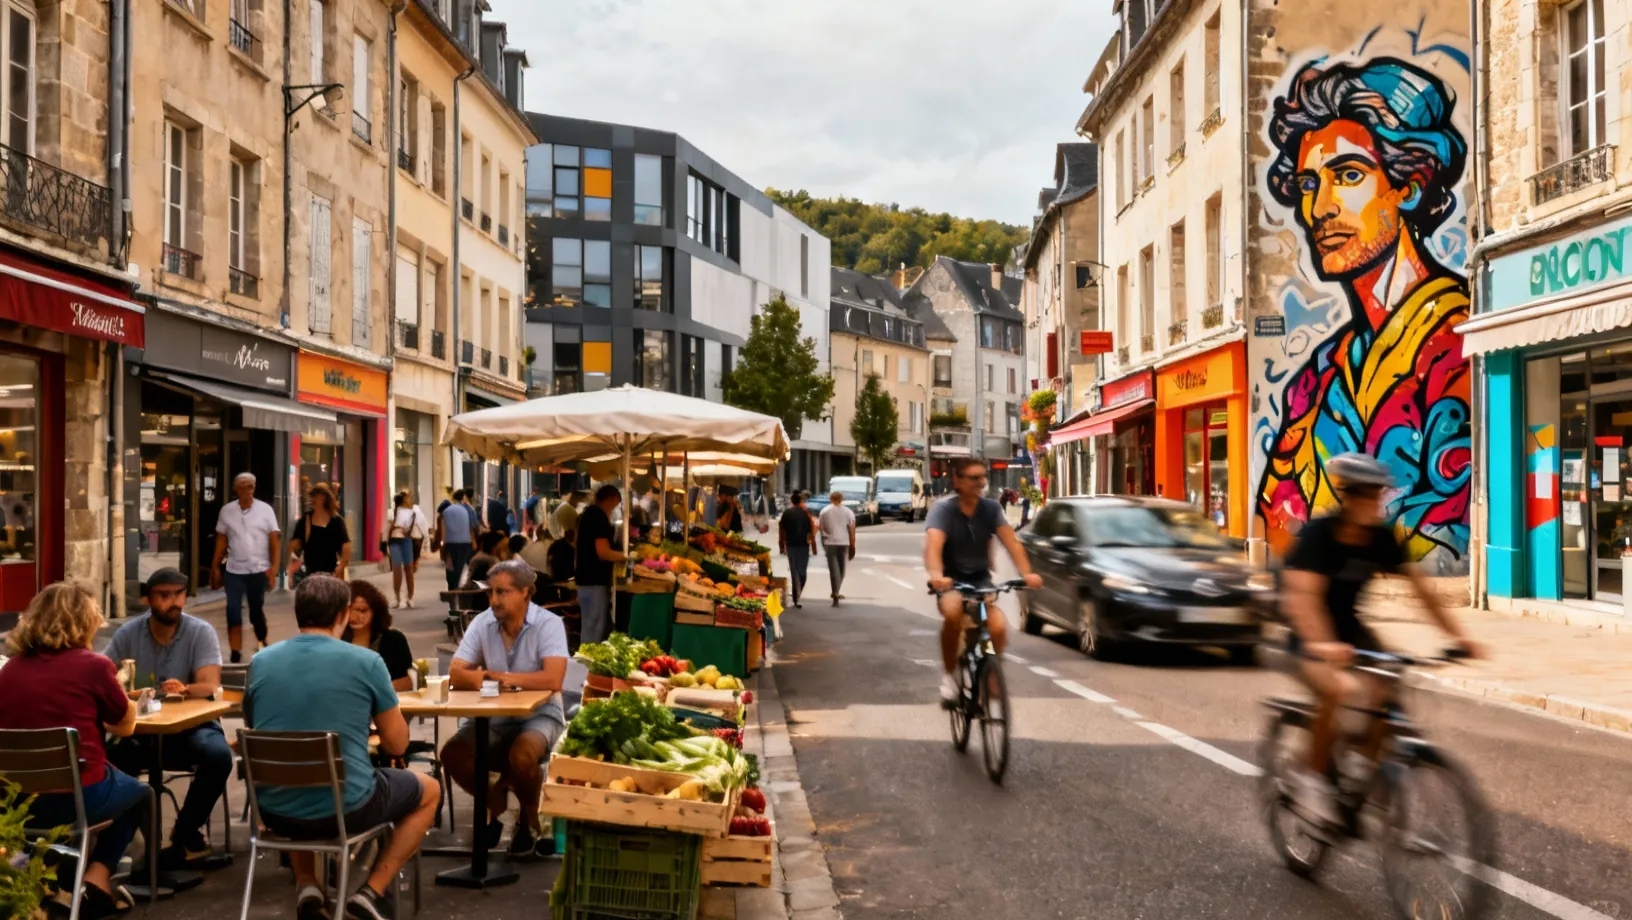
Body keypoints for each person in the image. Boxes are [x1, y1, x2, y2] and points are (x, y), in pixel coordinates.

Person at [1258, 59, 1471, 567]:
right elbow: (1277, 518)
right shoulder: (1319, 374)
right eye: (1309, 185)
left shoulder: (1457, 346)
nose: (1320, 209)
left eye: (1348, 175)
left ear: (1409, 185)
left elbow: (1441, 535)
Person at [1279, 452, 1480, 831]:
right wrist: (1323, 646)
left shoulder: (1380, 539)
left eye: (1379, 495)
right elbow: (1303, 599)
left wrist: (1458, 638)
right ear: (1350, 497)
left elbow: (1422, 593)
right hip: (1308, 630)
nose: (1377, 503)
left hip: (1351, 629)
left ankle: (1359, 779)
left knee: (1389, 692)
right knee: (1338, 689)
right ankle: (1312, 779)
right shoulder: (1322, 535)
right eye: (1369, 496)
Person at [243, 575, 439, 920]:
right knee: (429, 790)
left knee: (301, 778)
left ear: (298, 612)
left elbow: (256, 726)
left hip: (274, 809)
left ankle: (308, 885)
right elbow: (397, 743)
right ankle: (372, 891)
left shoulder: (261, 662)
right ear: (343, 614)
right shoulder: (366, 662)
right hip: (346, 808)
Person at [0, 583, 148, 918]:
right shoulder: (93, 666)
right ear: (84, 622)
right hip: (77, 797)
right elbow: (125, 725)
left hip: (19, 803)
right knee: (138, 792)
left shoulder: (10, 670)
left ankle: (61, 887)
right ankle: (98, 875)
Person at [103, 569, 231, 870]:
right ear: (148, 598)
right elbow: (103, 676)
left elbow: (210, 686)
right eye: (164, 595)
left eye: (179, 594)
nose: (173, 602)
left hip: (190, 728)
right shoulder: (128, 634)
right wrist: (128, 692)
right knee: (113, 754)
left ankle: (185, 833)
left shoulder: (200, 632)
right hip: (141, 731)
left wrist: (185, 689)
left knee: (218, 754)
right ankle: (118, 840)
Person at [442, 560, 570, 858]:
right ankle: (495, 801)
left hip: (541, 714)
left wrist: (502, 678)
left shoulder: (548, 624)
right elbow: (457, 672)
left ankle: (526, 816)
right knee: (453, 755)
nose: (494, 600)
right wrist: (482, 679)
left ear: (526, 592)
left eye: (503, 592)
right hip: (494, 716)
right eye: (491, 593)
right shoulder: (482, 623)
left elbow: (553, 679)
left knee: (522, 755)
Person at [924, 457, 1043, 706]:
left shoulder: (991, 509)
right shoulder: (944, 510)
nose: (981, 483)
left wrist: (1027, 573)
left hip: (981, 581)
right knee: (953, 612)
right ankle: (951, 675)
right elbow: (934, 547)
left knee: (998, 626)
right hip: (951, 581)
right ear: (957, 480)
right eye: (974, 478)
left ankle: (989, 668)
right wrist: (937, 576)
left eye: (983, 477)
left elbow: (1012, 543)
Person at [210, 472, 281, 663]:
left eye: (250, 487)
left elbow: (274, 541)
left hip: (258, 570)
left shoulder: (265, 510)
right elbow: (221, 540)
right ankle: (235, 652)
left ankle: (262, 639)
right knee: (232, 610)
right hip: (234, 571)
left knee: (256, 611)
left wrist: (274, 568)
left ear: (254, 488)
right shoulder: (227, 511)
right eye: (242, 487)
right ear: (236, 489)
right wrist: (215, 567)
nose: (246, 491)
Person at [575, 484, 625, 644]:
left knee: (591, 627)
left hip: (586, 579)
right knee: (594, 630)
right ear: (610, 499)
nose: (614, 509)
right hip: (594, 580)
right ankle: (588, 665)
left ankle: (586, 664)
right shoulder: (598, 517)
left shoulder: (588, 515)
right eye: (615, 504)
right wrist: (626, 557)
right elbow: (603, 552)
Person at [344, 579, 415, 691]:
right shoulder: (334, 640)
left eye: (362, 611)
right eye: (349, 611)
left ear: (375, 612)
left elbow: (406, 682)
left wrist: (375, 692)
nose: (354, 616)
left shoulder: (393, 640)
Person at [287, 483, 351, 585]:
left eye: (316, 496)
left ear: (325, 498)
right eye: (313, 496)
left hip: (331, 575)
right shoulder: (305, 521)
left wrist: (342, 566)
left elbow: (346, 545)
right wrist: (292, 560)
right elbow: (294, 545)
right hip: (310, 576)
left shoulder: (336, 521)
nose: (313, 499)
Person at [777, 492, 816, 608]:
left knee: (795, 572)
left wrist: (781, 544)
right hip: (803, 545)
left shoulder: (787, 513)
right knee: (802, 572)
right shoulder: (806, 513)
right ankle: (797, 595)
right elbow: (812, 530)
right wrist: (813, 546)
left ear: (791, 501)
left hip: (791, 545)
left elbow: (781, 530)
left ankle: (796, 596)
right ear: (800, 501)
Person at [818, 491, 857, 606]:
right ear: (841, 499)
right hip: (844, 543)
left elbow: (821, 527)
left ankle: (835, 593)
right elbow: (852, 529)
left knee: (834, 570)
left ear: (831, 499)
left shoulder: (824, 511)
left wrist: (823, 541)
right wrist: (853, 545)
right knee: (842, 571)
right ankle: (836, 593)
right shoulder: (848, 512)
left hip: (829, 543)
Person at [384, 491, 418, 609]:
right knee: (397, 569)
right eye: (407, 498)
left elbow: (413, 527)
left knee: (409, 569)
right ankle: (398, 597)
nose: (409, 500)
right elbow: (388, 528)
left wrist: (406, 530)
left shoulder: (412, 512)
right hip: (394, 541)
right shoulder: (392, 513)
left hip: (406, 540)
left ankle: (410, 597)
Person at [440, 488, 476, 592]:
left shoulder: (446, 511)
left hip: (451, 543)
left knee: (451, 568)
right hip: (466, 542)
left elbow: (443, 530)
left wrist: (443, 545)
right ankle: (457, 587)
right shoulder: (466, 509)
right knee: (460, 567)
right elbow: (471, 526)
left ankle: (452, 588)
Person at [406, 490, 431, 586]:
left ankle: (410, 568)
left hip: (408, 538)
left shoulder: (407, 512)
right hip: (417, 539)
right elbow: (424, 528)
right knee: (415, 555)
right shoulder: (420, 513)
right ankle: (413, 568)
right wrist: (426, 541)